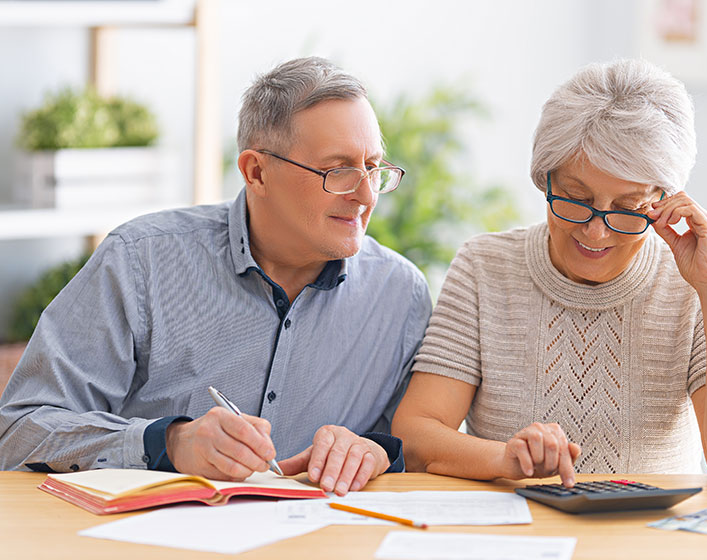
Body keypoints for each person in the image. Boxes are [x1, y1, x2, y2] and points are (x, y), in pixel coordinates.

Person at [0, 57, 432, 496]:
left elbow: (412, 447)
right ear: (256, 172)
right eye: (338, 171)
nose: (364, 195)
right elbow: (19, 431)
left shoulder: (401, 295)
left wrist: (373, 451)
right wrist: (170, 443)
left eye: (374, 169)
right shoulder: (140, 262)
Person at [392, 59, 707, 486]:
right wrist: (507, 458)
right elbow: (414, 435)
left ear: (663, 201)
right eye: (576, 198)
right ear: (545, 180)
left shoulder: (696, 283)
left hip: (647, 541)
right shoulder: (485, 268)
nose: (595, 231)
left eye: (628, 208)